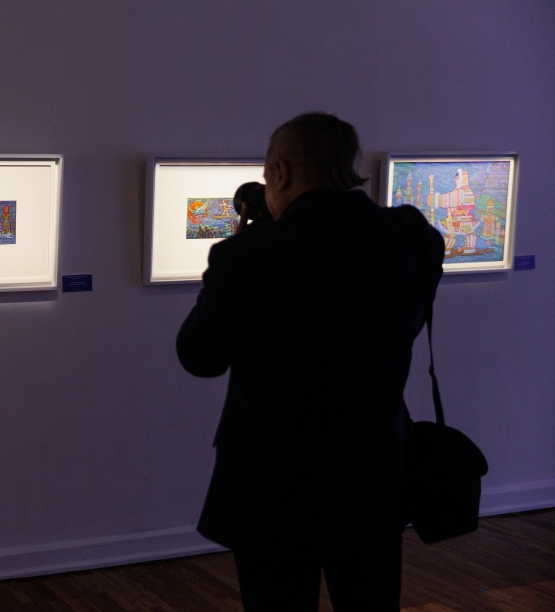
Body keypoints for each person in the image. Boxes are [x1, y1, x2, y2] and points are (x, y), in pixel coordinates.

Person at [176, 112, 444, 611]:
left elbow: (200, 356)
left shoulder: (248, 255)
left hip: (274, 484)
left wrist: (238, 255)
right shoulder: (411, 238)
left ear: (280, 172)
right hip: (373, 475)